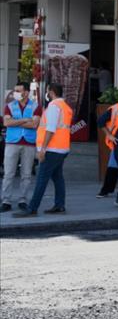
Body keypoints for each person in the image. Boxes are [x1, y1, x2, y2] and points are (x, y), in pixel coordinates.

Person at [15, 83, 73, 218]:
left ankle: (32, 208)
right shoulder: (65, 107)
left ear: (51, 92)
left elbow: (50, 129)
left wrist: (43, 150)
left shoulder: (54, 106)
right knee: (58, 178)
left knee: (42, 179)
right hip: (61, 148)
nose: (46, 94)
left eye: (47, 91)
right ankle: (59, 205)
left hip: (52, 149)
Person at [2, 81, 40, 212]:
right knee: (8, 173)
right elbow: (6, 122)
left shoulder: (36, 106)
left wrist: (15, 122)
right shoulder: (10, 106)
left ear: (26, 92)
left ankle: (23, 199)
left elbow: (34, 125)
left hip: (29, 143)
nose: (15, 93)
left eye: (18, 91)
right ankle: (6, 200)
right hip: (12, 142)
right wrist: (25, 120)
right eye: (15, 91)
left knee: (26, 174)